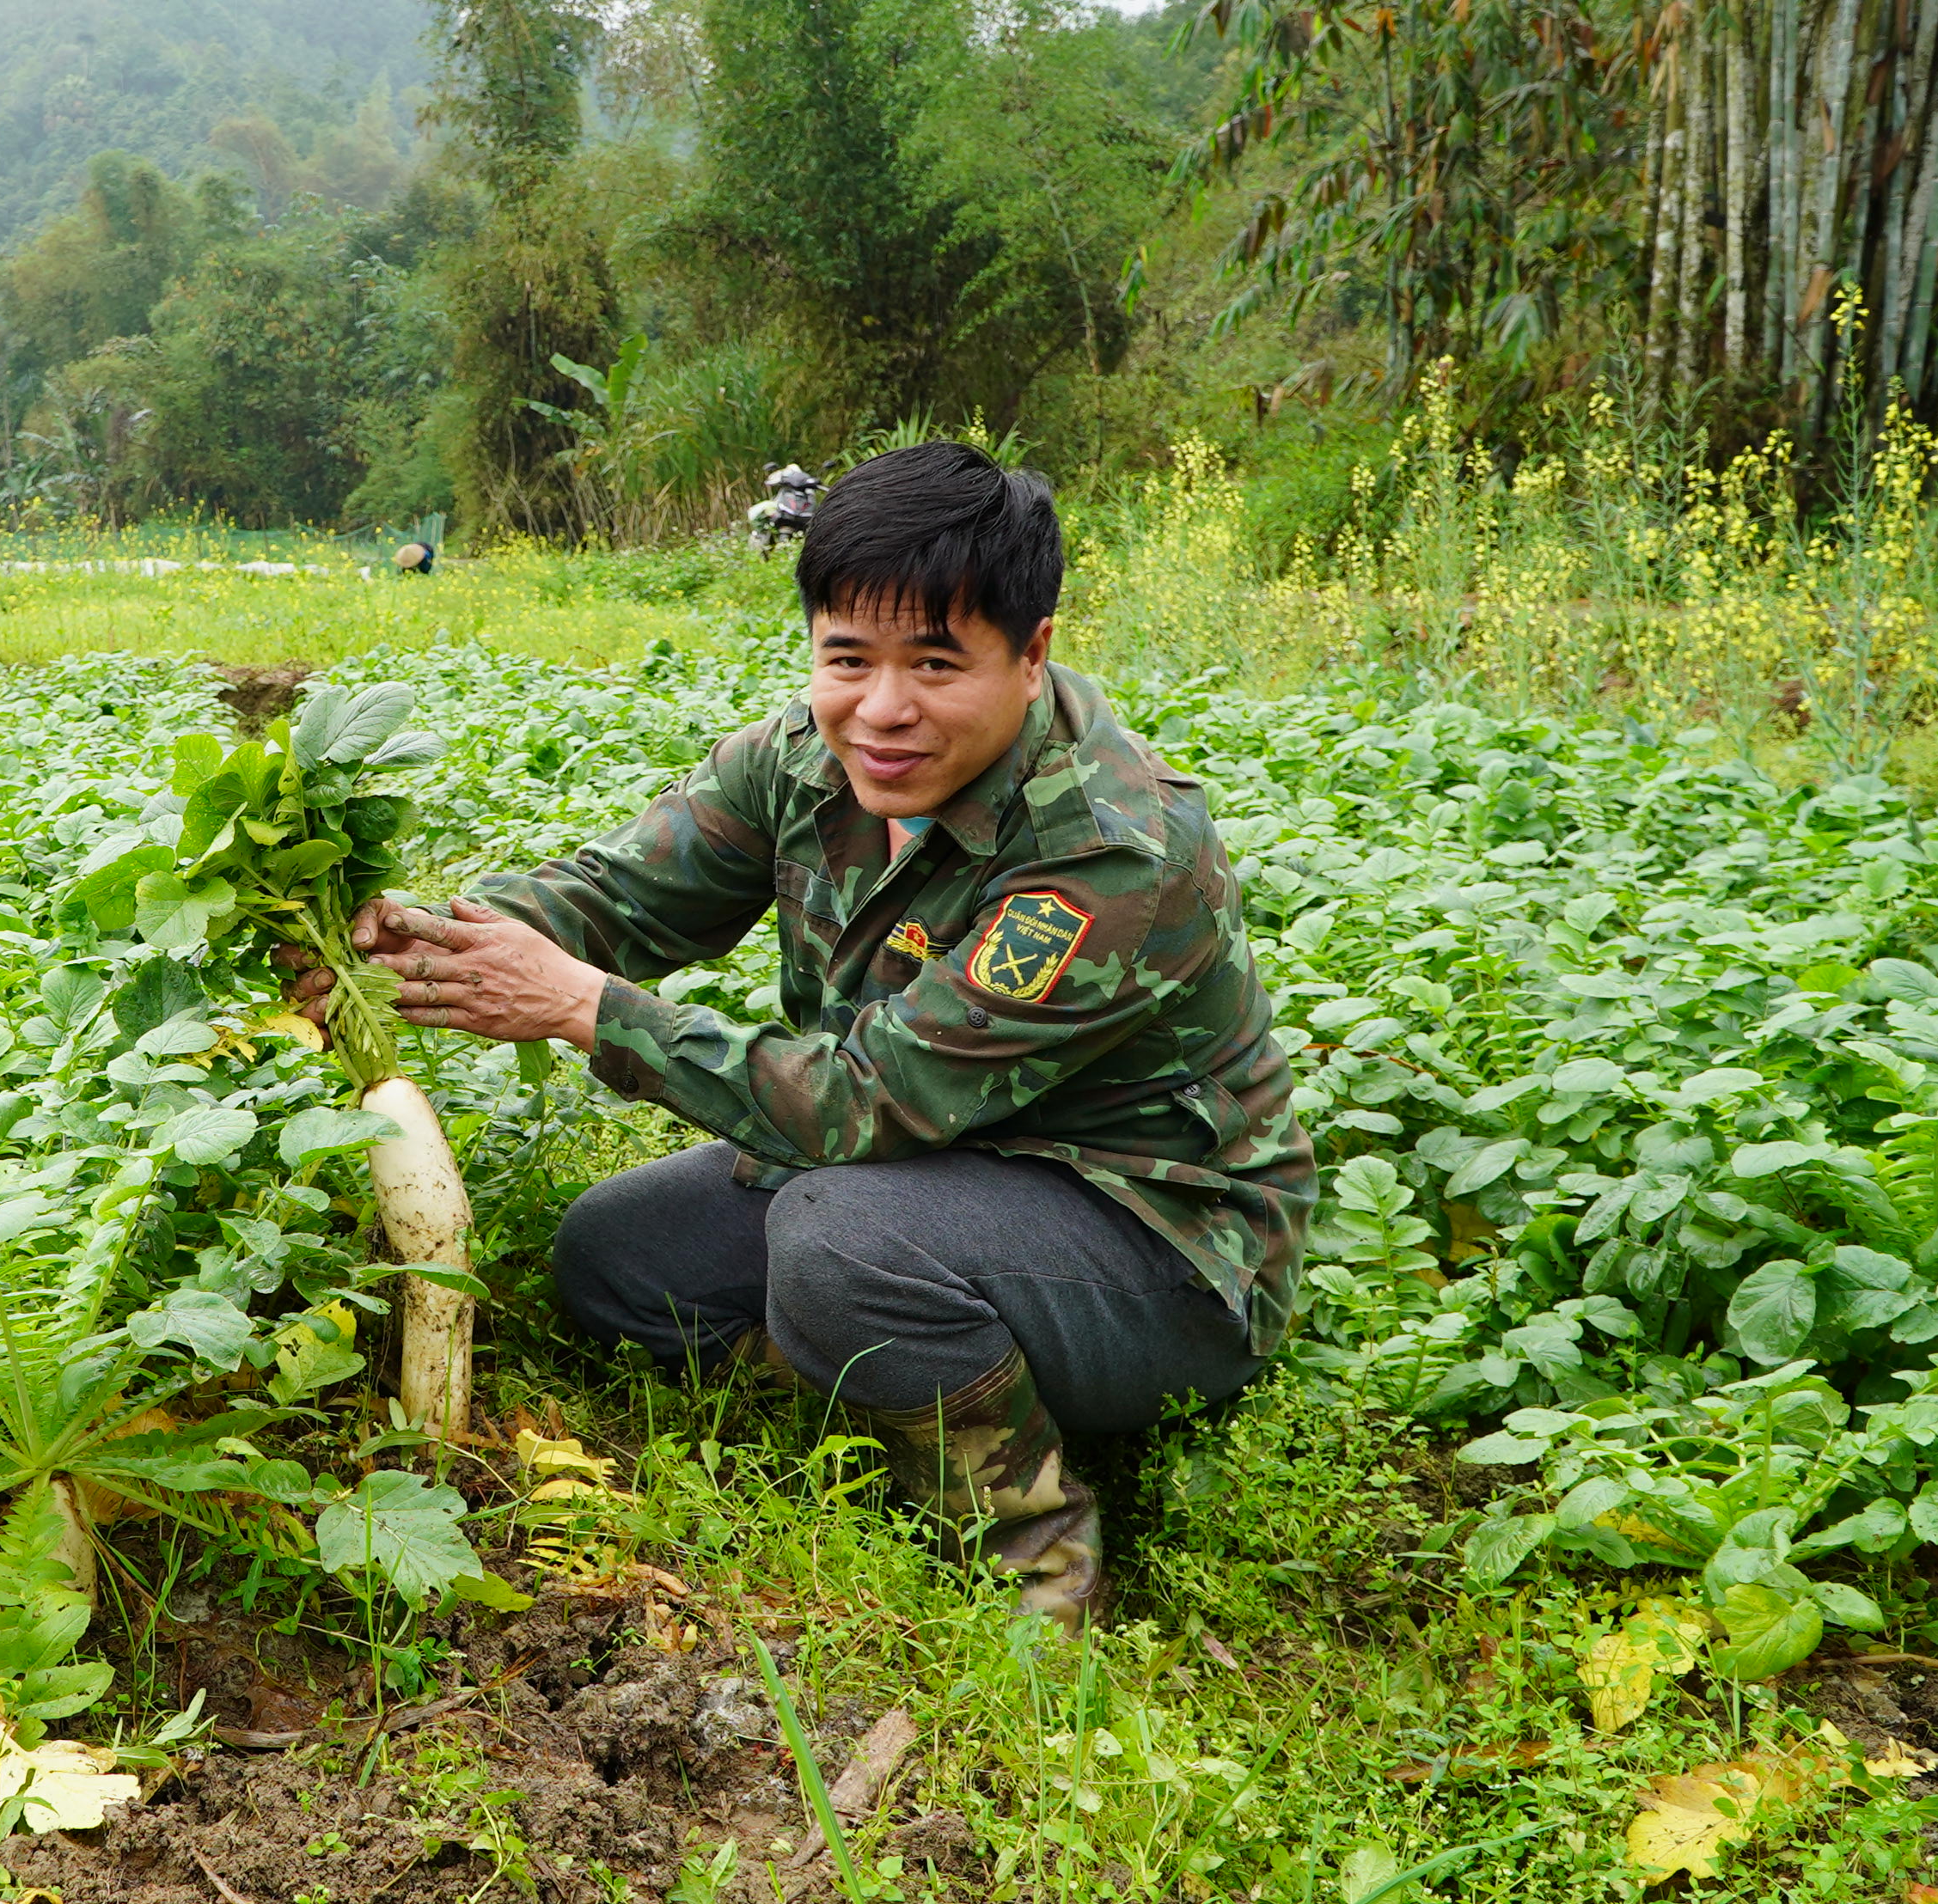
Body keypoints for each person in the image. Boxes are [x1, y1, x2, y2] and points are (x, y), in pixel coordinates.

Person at [286, 443, 1312, 1629]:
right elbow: (621, 897)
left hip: (1156, 1248)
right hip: (939, 1176)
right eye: (848, 658)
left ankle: (1035, 1553)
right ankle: (906, 1370)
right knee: (616, 1262)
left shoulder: (1109, 856)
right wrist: (418, 942)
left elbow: (866, 1102)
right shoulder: (808, 760)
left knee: (840, 1239)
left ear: (1031, 655)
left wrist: (581, 1006)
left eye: (936, 663)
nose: (882, 709)